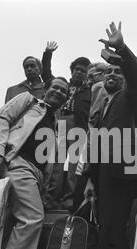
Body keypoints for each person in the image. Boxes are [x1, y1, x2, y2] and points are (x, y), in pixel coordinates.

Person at [0, 77, 69, 249]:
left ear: (67, 99)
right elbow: (1, 118)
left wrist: (43, 187)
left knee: (7, 232)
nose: (58, 92)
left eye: (64, 91)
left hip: (35, 175)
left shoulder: (55, 123)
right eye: (55, 88)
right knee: (32, 218)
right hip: (17, 163)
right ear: (46, 90)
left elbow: (47, 160)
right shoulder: (28, 101)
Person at [84, 22, 137, 249]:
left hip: (122, 176)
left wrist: (122, 49)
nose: (112, 74)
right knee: (105, 235)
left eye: (117, 71)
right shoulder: (106, 105)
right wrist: (90, 180)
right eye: (108, 71)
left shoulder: (130, 98)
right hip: (104, 180)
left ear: (124, 78)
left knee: (115, 236)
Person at [43, 51, 92, 210]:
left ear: (87, 74)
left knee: (73, 166)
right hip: (61, 122)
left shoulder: (90, 90)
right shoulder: (63, 85)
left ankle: (68, 200)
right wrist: (48, 54)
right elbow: (46, 74)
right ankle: (51, 199)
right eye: (77, 69)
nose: (79, 72)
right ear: (72, 71)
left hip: (78, 126)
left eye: (83, 70)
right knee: (56, 163)